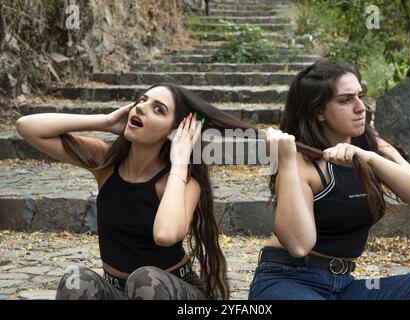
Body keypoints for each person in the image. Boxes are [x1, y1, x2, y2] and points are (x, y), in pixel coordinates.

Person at [16, 83, 253, 300]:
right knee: (76, 280)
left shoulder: (184, 182)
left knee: (144, 280)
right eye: (141, 100)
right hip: (118, 291)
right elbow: (27, 127)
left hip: (171, 290)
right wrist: (105, 121)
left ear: (174, 132)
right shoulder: (106, 163)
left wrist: (180, 161)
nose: (141, 108)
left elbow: (166, 234)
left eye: (158, 109)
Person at [248, 60, 410, 300]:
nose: (360, 107)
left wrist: (368, 157)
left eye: (360, 96)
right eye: (345, 100)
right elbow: (299, 245)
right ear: (318, 111)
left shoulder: (374, 147)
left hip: (344, 285)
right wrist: (287, 162)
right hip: (288, 280)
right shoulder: (301, 164)